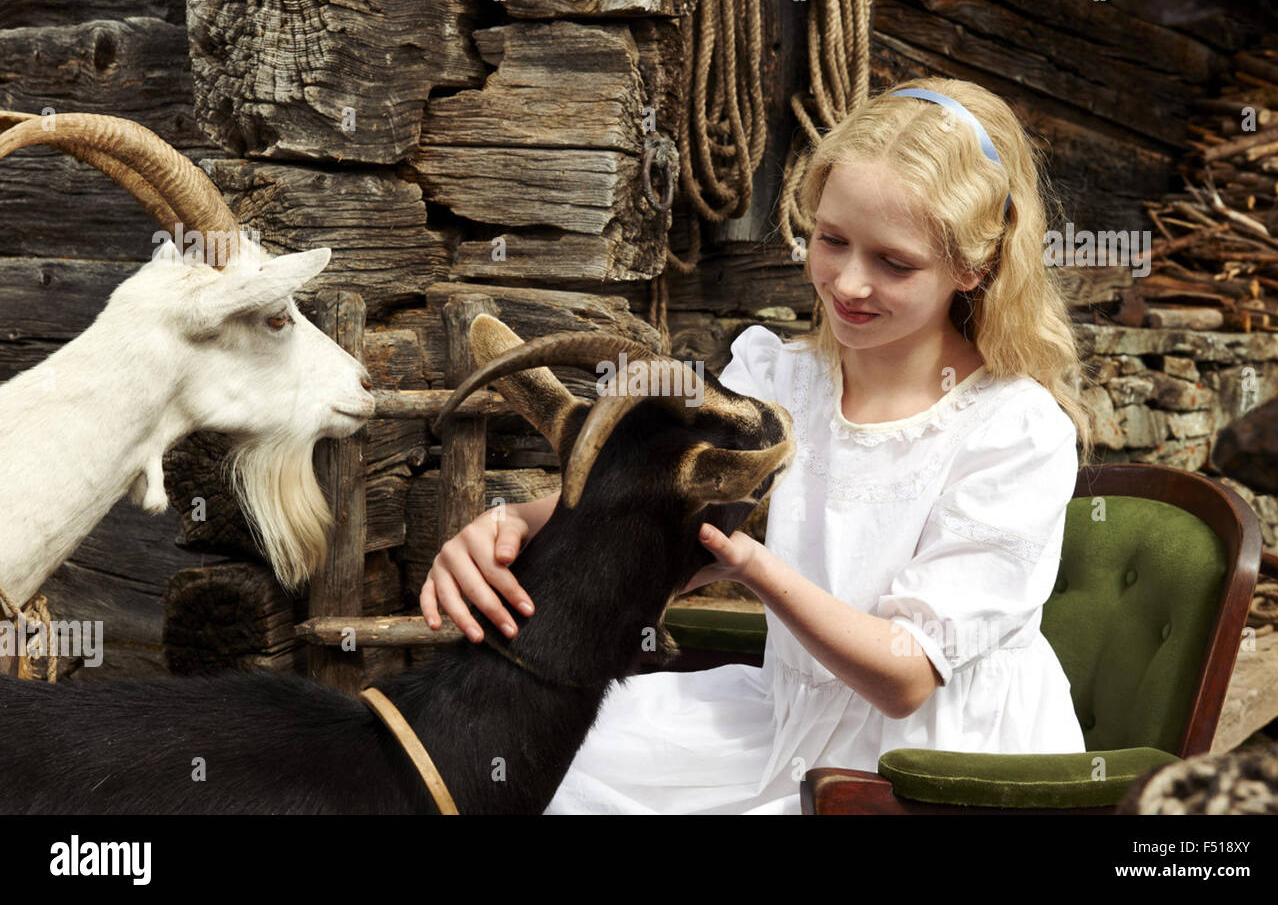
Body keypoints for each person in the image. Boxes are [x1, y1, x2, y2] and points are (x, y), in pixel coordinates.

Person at [420, 76, 1095, 814]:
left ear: (975, 266)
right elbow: (656, 503)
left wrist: (751, 567)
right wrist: (513, 526)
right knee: (549, 769)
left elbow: (905, 678)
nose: (848, 282)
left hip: (943, 763)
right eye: (831, 240)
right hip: (786, 718)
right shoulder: (781, 380)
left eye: (894, 263)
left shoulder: (1015, 429)